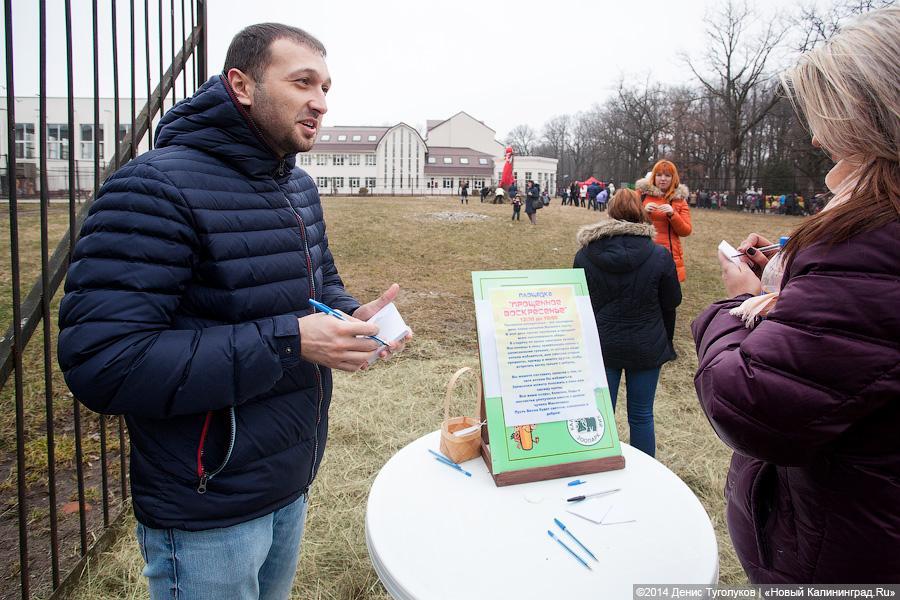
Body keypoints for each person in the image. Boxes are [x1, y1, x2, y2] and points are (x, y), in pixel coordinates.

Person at [57, 24, 412, 600]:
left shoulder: (295, 188)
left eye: (325, 87)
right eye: (301, 83)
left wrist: (351, 314)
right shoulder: (153, 188)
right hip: (207, 503)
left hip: (288, 475)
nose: (320, 102)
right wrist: (289, 341)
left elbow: (315, 283)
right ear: (241, 85)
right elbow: (104, 362)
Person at [691, 6, 899, 584]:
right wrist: (798, 287)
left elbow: (751, 404)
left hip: (853, 556)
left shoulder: (874, 238)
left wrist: (736, 304)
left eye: (830, 116)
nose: (814, 136)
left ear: (874, 117)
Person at [573, 189, 681, 457]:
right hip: (646, 344)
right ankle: (646, 476)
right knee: (642, 415)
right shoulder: (659, 255)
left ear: (609, 213)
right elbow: (673, 300)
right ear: (641, 214)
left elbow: (577, 302)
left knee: (600, 414)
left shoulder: (585, 255)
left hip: (602, 345)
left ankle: (597, 465)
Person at [637, 160, 692, 282]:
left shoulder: (680, 200)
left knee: (668, 296)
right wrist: (643, 212)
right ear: (653, 176)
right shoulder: (641, 195)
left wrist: (673, 214)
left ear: (673, 178)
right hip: (643, 252)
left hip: (669, 255)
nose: (663, 179)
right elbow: (627, 222)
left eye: (667, 175)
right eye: (659, 175)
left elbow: (686, 231)